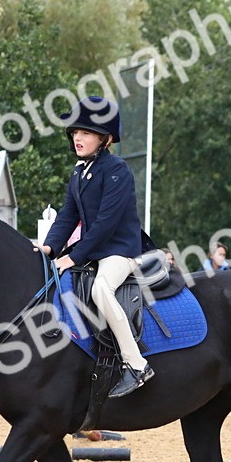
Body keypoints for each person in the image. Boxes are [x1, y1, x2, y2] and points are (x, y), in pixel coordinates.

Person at [39, 96, 152, 398]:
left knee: (101, 289)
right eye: (75, 132)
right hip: (95, 251)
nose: (78, 137)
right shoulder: (79, 172)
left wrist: (73, 256)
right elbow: (67, 216)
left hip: (121, 251)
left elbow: (105, 224)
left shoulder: (117, 170)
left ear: (104, 138)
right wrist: (49, 249)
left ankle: (136, 364)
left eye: (86, 133)